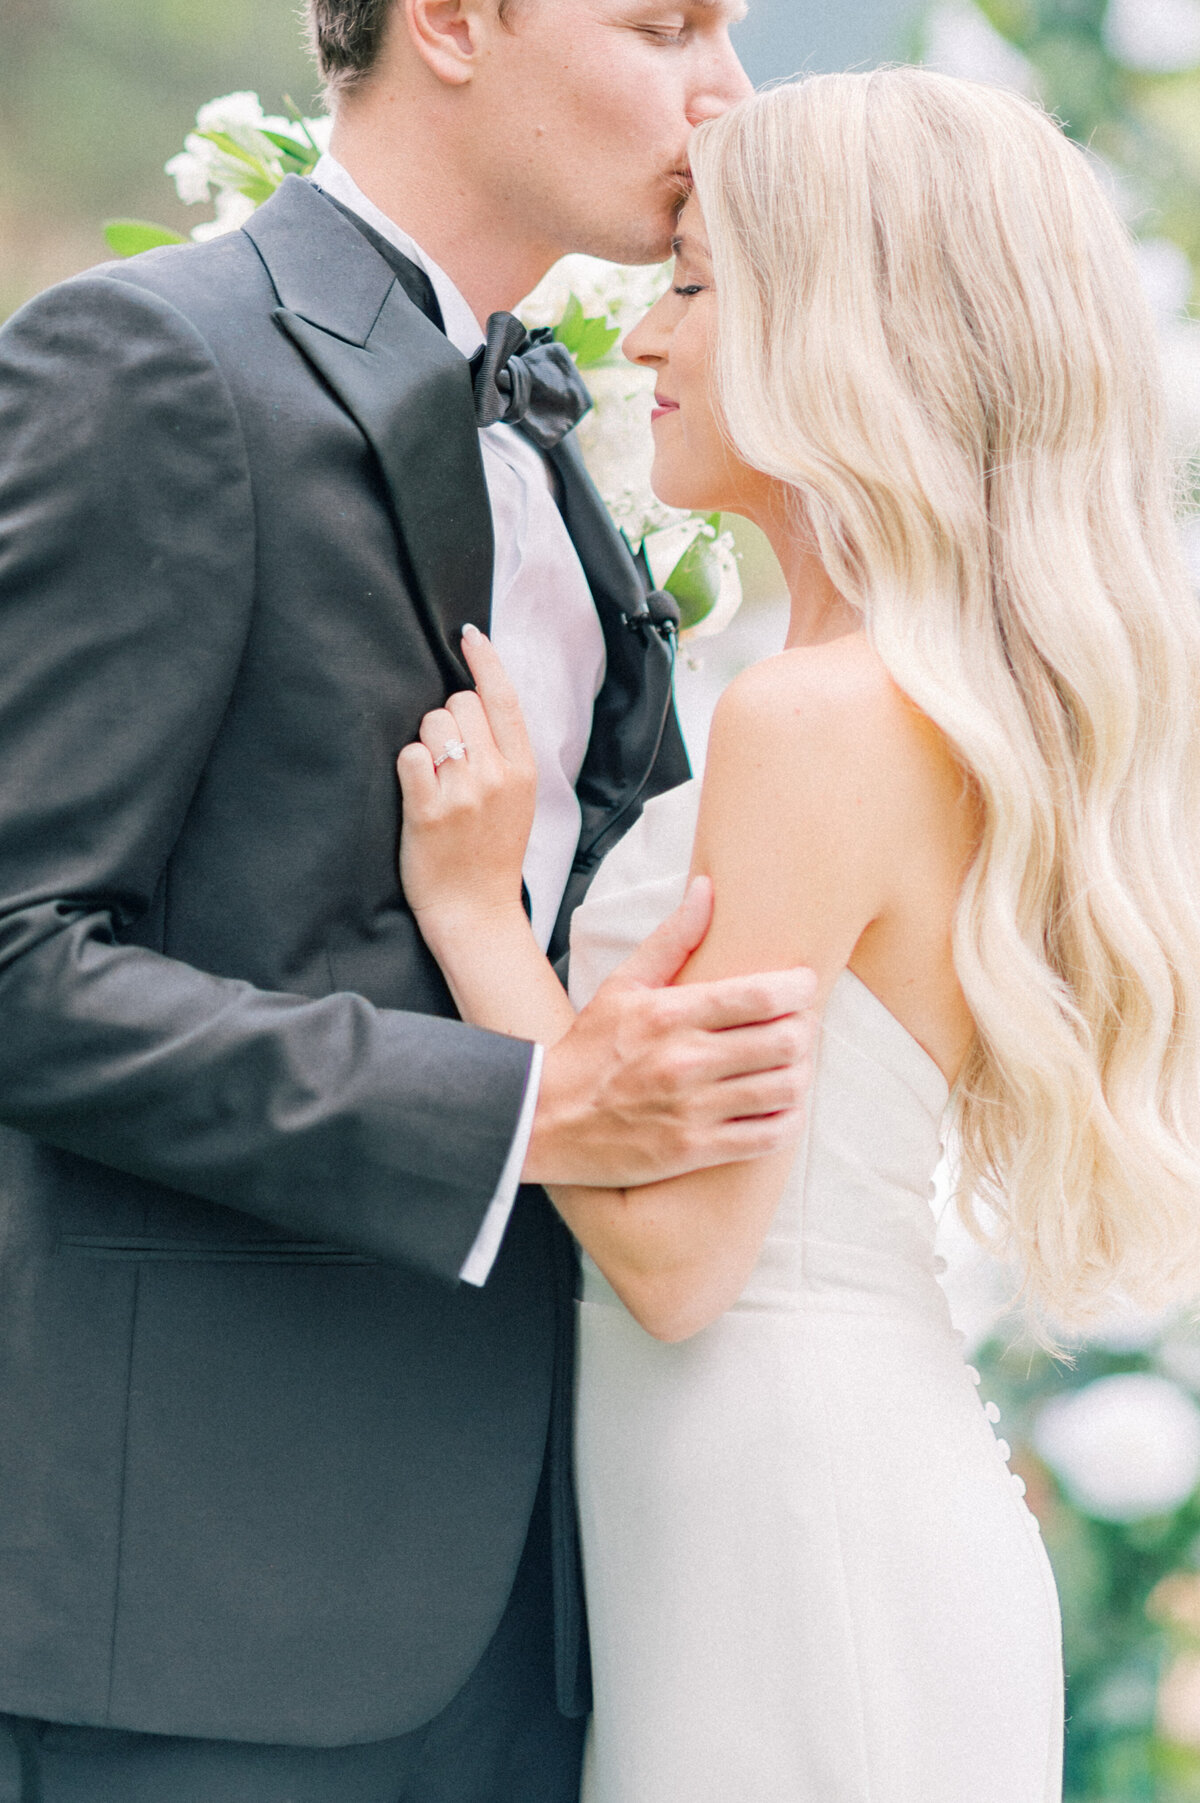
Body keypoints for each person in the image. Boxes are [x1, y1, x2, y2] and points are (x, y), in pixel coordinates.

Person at [0, 3, 821, 1799]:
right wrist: (535, 1109)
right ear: (450, 19)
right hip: (207, 1614)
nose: (726, 95)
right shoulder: (152, 359)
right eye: (664, 22)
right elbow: (19, 957)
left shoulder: (561, 422)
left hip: (554, 1600)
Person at [397, 69, 1200, 1801]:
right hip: (775, 1501)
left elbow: (683, 1259)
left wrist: (476, 928)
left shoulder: (816, 717)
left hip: (797, 1527)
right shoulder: (917, 694)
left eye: (692, 284)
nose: (643, 338)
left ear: (843, 324)